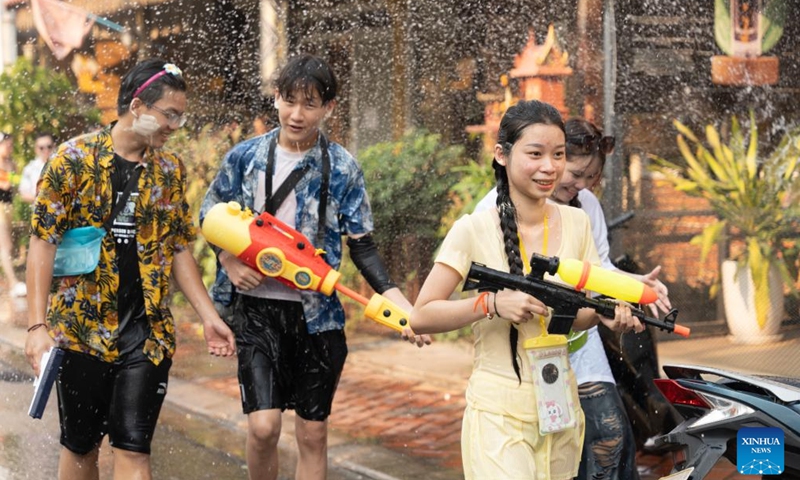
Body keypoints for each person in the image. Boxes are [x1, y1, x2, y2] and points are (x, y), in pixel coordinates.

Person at [199, 53, 430, 480]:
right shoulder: (245, 158)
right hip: (256, 311)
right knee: (264, 427)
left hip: (317, 318)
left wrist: (402, 308)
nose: (297, 114)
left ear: (329, 108)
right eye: (289, 101)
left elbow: (363, 247)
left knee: (313, 434)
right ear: (275, 99)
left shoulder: (341, 167)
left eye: (309, 104)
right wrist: (228, 261)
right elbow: (209, 216)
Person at [23, 59, 236, 480]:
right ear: (138, 106)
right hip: (82, 332)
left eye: (181, 116)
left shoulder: (169, 171)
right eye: (169, 114)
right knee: (81, 448)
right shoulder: (73, 160)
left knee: (135, 450)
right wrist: (36, 327)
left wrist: (210, 317)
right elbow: (42, 242)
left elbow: (179, 249)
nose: (176, 125)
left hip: (147, 334)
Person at [410, 100, 643, 480]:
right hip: (498, 411)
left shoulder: (578, 222)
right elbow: (421, 315)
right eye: (535, 154)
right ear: (502, 154)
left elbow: (576, 318)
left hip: (559, 406)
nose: (549, 167)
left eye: (558, 155)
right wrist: (491, 303)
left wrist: (606, 316)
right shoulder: (473, 229)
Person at [476, 117, 674, 479]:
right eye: (577, 174)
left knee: (609, 434)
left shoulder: (585, 207)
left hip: (581, 341)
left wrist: (637, 284)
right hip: (524, 348)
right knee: (543, 446)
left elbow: (600, 270)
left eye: (591, 179)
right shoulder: (492, 211)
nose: (582, 186)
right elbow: (470, 288)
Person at [0, 131, 26, 297]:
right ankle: (13, 282)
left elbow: (15, 188)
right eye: (7, 145)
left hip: (9, 208)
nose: (10, 148)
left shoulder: (12, 164)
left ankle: (9, 281)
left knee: (9, 246)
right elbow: (6, 186)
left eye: (11, 145)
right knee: (6, 246)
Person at [18, 132, 54, 204]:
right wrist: (42, 199)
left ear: (54, 146)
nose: (46, 150)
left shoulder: (63, 164)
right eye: (41, 148)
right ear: (36, 149)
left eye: (49, 146)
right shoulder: (30, 169)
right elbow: (23, 193)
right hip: (39, 211)